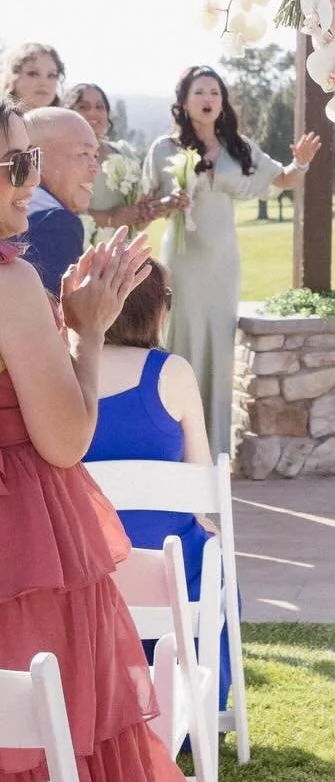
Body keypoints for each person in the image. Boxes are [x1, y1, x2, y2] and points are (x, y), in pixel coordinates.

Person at [0, 99, 199, 782]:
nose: (27, 185)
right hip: (27, 551)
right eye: (12, 167)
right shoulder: (9, 284)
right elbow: (67, 437)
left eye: (28, 164)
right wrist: (86, 327)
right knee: (51, 747)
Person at [144, 66, 321, 457]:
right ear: (183, 101)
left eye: (215, 92)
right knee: (180, 341)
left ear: (222, 102)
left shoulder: (238, 147)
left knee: (219, 350)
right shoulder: (163, 149)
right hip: (182, 263)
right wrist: (168, 203)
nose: (208, 99)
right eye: (199, 92)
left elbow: (282, 179)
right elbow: (144, 206)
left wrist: (302, 163)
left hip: (223, 265)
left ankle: (215, 450)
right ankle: (175, 448)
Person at [85, 261, 236, 707]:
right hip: (169, 569)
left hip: (90, 565)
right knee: (210, 555)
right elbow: (199, 479)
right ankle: (196, 707)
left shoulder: (65, 372)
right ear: (156, 309)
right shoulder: (172, 372)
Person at [19, 105, 99, 296]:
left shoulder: (12, 212)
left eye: (96, 155)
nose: (95, 166)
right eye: (84, 153)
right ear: (35, 158)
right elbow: (57, 311)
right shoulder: (56, 225)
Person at [65, 82, 159, 234]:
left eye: (99, 107)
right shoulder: (60, 159)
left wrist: (145, 213)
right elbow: (60, 216)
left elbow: (137, 223)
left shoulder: (124, 153)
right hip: (80, 245)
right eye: (83, 107)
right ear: (68, 114)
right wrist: (110, 218)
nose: (93, 113)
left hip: (124, 245)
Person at [1, 40, 64, 113]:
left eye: (51, 75)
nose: (44, 83)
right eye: (33, 73)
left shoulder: (69, 119)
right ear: (12, 77)